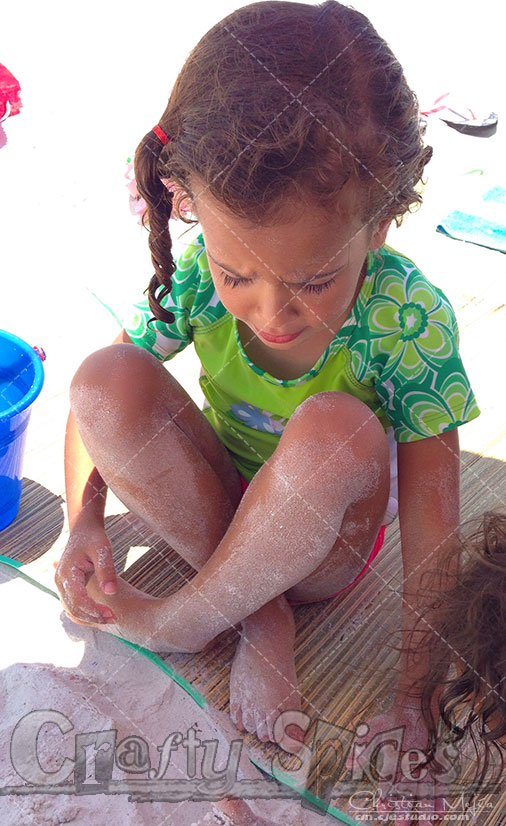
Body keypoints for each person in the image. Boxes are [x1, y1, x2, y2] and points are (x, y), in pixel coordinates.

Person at [55, 0, 480, 801]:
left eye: (314, 281)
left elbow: (433, 522)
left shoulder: (407, 317)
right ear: (186, 202)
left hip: (325, 549)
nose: (272, 313)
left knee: (334, 430)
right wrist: (82, 520)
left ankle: (188, 619)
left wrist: (413, 693)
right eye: (235, 274)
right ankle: (257, 615)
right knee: (102, 378)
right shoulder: (192, 277)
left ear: (381, 224)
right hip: (216, 515)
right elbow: (96, 406)